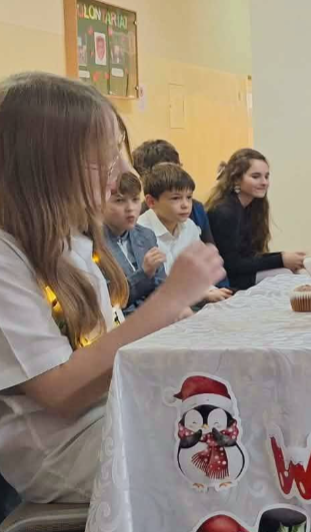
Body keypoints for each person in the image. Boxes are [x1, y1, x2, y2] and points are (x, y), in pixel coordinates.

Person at [0, 72, 225, 503]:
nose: (123, 172)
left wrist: (170, 326)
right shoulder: (6, 257)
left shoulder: (70, 241)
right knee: (219, 456)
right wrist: (168, 301)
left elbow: (101, 349)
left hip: (100, 417)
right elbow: (60, 393)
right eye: (103, 157)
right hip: (61, 448)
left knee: (232, 414)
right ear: (44, 165)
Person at [130, 137, 230, 289]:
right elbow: (152, 283)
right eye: (176, 198)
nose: (185, 204)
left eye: (188, 197)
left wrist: (215, 290)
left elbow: (205, 265)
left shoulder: (190, 221)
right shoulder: (139, 226)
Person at [205, 148, 306, 291]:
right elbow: (231, 264)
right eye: (256, 176)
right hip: (227, 281)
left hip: (243, 274)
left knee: (298, 274)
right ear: (236, 179)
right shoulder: (224, 212)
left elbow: (251, 255)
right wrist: (280, 259)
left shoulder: (253, 207)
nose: (264, 182)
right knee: (287, 278)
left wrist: (284, 258)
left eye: (266, 176)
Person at [102, 171, 166, 314]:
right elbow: (108, 299)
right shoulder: (92, 244)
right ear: (100, 204)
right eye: (119, 200)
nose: (130, 208)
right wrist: (144, 274)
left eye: (135, 199)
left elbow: (161, 284)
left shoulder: (146, 235)